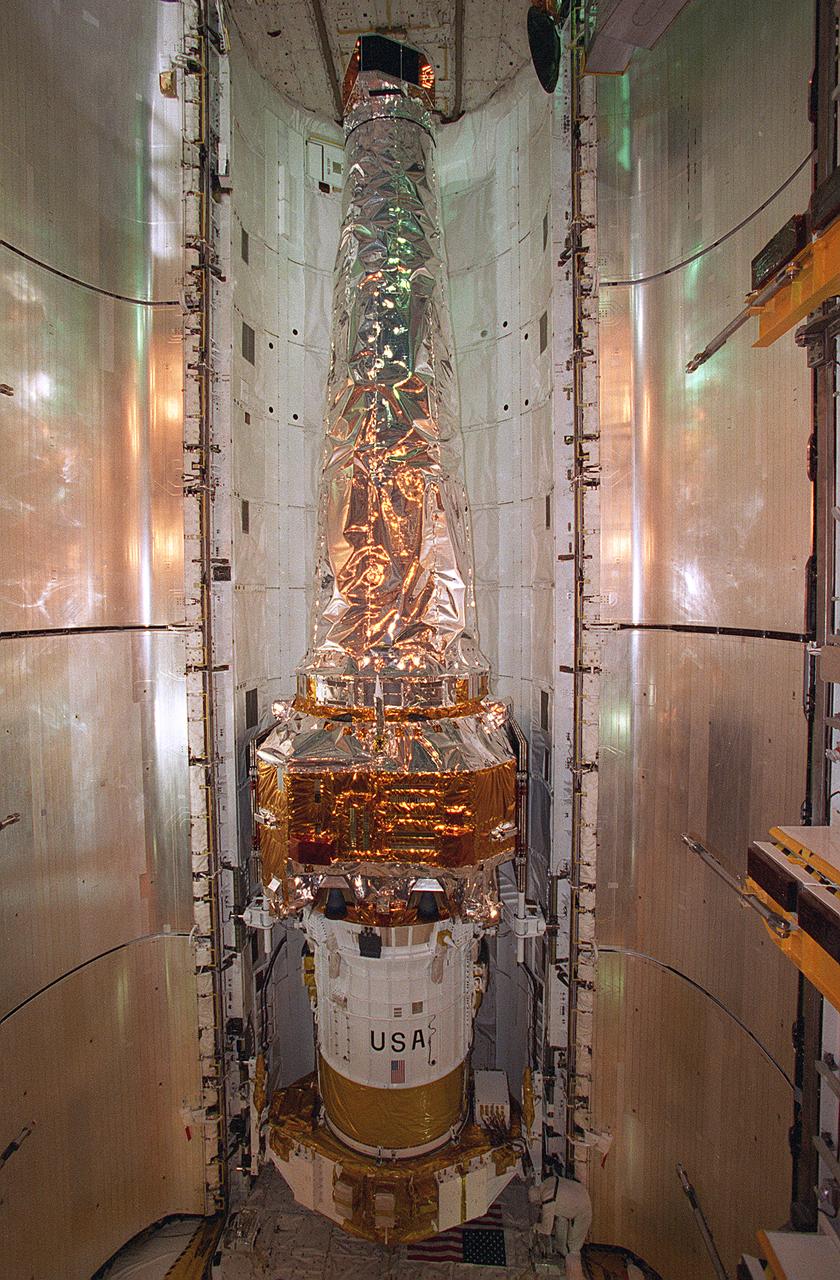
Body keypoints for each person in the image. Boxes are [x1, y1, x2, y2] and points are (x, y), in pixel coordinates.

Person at [529, 1170, 593, 1278]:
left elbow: (546, 1229)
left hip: (582, 1211)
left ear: (537, 1201)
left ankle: (575, 1275)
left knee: (573, 1249)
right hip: (581, 1194)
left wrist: (535, 1227)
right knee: (560, 1224)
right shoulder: (547, 1182)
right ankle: (562, 1255)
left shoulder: (547, 1200)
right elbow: (560, 1203)